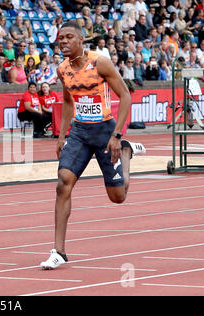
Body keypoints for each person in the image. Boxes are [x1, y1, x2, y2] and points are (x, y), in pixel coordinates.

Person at [39, 22, 146, 270]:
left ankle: (127, 154)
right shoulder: (62, 69)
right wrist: (62, 135)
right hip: (79, 132)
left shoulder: (100, 62)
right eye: (59, 38)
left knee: (117, 197)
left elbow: (126, 96)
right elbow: (67, 101)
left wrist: (118, 136)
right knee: (63, 182)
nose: (63, 42)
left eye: (68, 37)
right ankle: (59, 251)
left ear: (80, 40)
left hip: (105, 132)